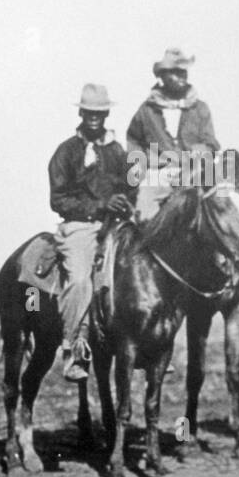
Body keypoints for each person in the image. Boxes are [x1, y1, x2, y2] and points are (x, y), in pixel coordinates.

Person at [49, 84, 136, 381]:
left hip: (115, 223)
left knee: (140, 268)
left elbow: (129, 184)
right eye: (89, 112)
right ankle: (73, 348)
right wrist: (100, 204)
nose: (94, 117)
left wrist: (127, 199)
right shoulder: (66, 151)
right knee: (79, 279)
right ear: (81, 112)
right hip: (81, 225)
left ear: (107, 113)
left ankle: (146, 344)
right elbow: (58, 199)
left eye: (99, 112)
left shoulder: (116, 150)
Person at [125, 48, 221, 221]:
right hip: (161, 174)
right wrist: (141, 167)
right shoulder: (147, 110)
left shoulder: (199, 108)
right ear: (162, 77)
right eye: (175, 72)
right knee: (144, 215)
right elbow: (133, 139)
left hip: (194, 170)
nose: (181, 76)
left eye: (183, 72)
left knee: (224, 203)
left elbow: (211, 141)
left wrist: (202, 150)